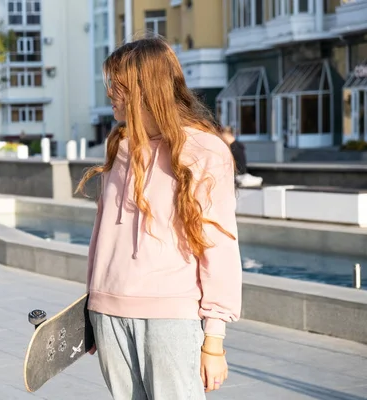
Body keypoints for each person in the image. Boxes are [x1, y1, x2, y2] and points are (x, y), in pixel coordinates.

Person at [76, 38, 242, 400]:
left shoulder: (203, 150)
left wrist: (214, 340)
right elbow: (101, 235)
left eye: (116, 83)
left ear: (143, 87)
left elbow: (219, 246)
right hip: (108, 312)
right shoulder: (120, 146)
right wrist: (92, 308)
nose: (109, 92)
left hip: (171, 315)